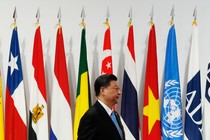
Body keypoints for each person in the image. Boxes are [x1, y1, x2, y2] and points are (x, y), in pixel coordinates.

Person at [77, 74, 125, 140]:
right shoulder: (91, 117)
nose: (119, 92)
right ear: (102, 91)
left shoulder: (115, 115)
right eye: (116, 88)